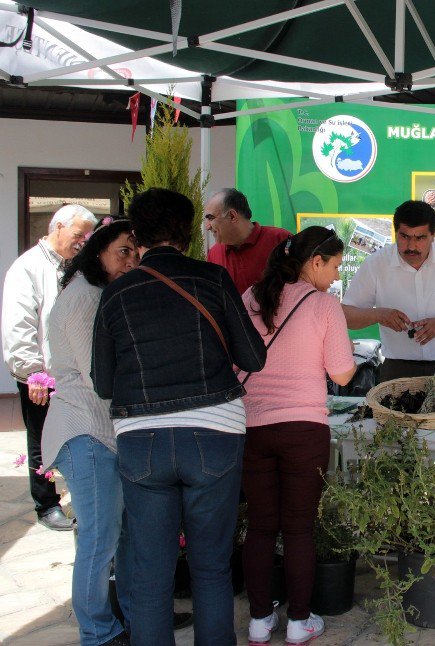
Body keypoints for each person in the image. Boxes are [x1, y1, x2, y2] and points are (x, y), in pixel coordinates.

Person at [92, 188, 267, 646]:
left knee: (151, 574)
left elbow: (105, 384)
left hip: (142, 439)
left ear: (138, 235)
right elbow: (253, 356)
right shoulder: (212, 279)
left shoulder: (116, 295)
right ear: (189, 232)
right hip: (214, 434)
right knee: (210, 567)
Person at [239, 227, 357, 645]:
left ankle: (258, 622)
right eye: (335, 265)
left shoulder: (251, 297)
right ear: (315, 261)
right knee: (299, 529)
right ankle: (298, 623)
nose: (335, 274)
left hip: (252, 426)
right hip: (304, 429)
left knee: (260, 527)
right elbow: (342, 372)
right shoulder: (324, 305)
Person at [40, 218, 136, 646]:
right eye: (123, 251)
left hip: (100, 431)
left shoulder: (97, 292)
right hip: (85, 431)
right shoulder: (84, 297)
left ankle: (137, 616)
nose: (131, 260)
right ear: (97, 253)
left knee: (114, 534)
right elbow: (99, 376)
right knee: (99, 537)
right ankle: (97, 632)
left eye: (136, 252)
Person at [2, 203, 97, 530]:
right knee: (41, 439)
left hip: (73, 374)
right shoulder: (27, 267)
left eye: (88, 236)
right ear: (57, 227)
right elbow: (19, 325)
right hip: (42, 375)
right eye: (78, 234)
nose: (83, 241)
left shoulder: (77, 266)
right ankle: (46, 504)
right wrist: (32, 373)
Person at [342, 200, 435, 382]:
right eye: (405, 236)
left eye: (420, 238)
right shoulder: (376, 264)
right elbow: (345, 315)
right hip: (398, 368)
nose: (411, 246)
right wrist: (379, 315)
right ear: (396, 233)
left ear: (433, 235)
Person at [204, 188, 291, 295]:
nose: (207, 226)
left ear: (232, 216)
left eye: (211, 218)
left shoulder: (281, 239)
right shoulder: (214, 254)